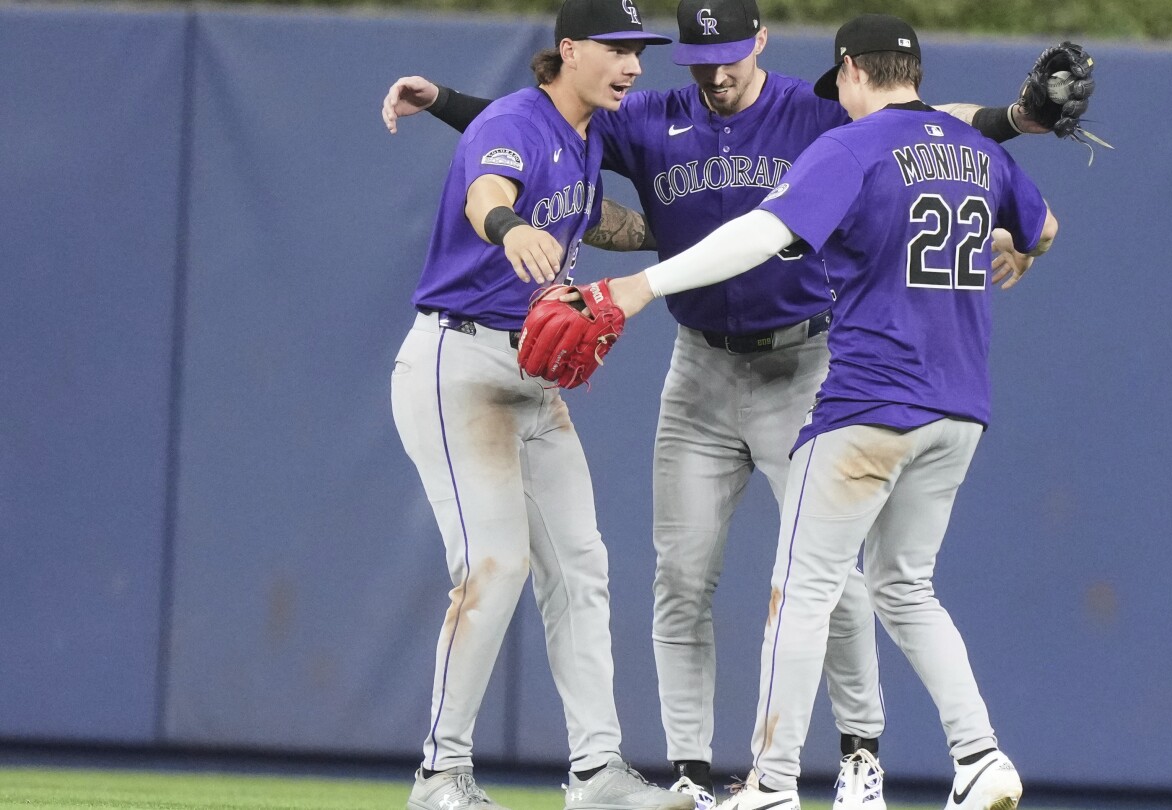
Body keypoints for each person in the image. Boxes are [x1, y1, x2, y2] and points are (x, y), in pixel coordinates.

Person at [383, 7, 1066, 809]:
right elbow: (515, 138)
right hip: (681, 366)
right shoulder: (637, 117)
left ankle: (822, 769)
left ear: (782, 50)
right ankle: (692, 775)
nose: (708, 70)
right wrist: (458, 122)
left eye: (727, 52)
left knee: (808, 583)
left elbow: (905, 129)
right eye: (686, 55)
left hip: (808, 365)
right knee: (699, 579)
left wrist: (1017, 119)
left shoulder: (822, 119)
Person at [596, 13, 1059, 810]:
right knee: (906, 588)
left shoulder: (851, 145)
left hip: (867, 401)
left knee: (801, 593)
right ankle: (982, 757)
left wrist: (643, 285)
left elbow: (763, 233)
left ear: (851, 70)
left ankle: (772, 786)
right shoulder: (977, 153)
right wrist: (1020, 243)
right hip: (959, 410)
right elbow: (1044, 227)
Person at [388, 2, 694, 809]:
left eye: (639, 50)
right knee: (495, 565)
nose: (633, 64)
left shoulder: (587, 137)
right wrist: (505, 222)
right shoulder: (518, 121)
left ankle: (597, 774)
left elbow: (615, 226)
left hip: (528, 376)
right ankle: (440, 775)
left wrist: (702, 229)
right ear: (569, 51)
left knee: (582, 566)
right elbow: (484, 189)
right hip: (457, 363)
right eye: (618, 48)